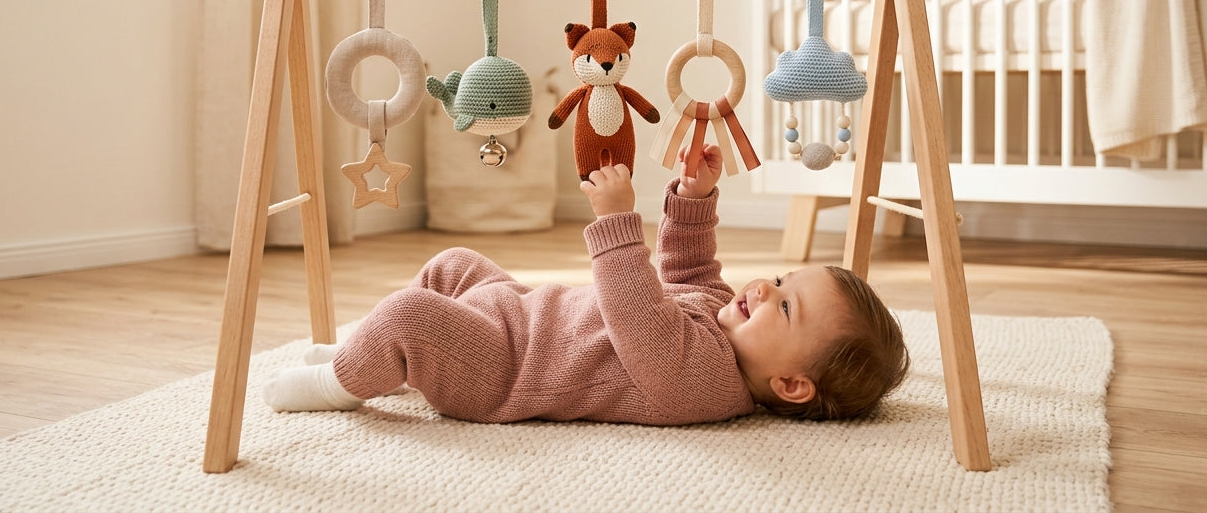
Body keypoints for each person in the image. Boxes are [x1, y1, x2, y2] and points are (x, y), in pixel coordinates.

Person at [263, 144, 909, 425]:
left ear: (791, 385)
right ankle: (375, 361)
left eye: (786, 305)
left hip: (504, 370)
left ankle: (336, 384)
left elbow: (637, 314)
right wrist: (694, 196)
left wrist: (617, 222)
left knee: (412, 314)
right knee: (454, 264)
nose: (764, 289)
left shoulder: (705, 388)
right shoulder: (725, 321)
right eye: (778, 278)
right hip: (518, 313)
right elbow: (687, 268)